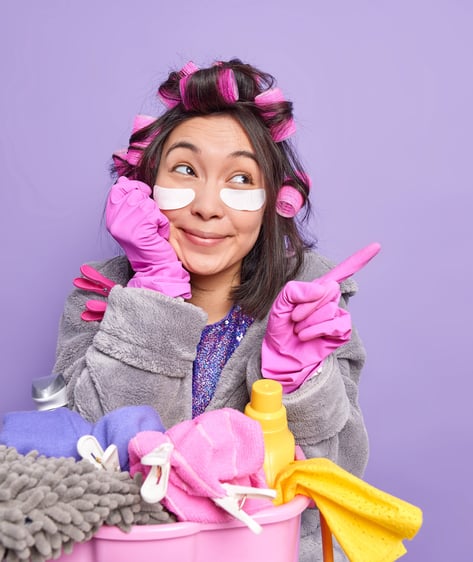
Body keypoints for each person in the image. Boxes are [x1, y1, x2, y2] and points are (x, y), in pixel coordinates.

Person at [52, 58, 374, 561]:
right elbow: (84, 470)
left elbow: (330, 491)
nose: (207, 205)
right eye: (185, 170)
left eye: (240, 179)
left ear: (273, 201)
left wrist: (292, 383)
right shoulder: (99, 301)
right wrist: (156, 291)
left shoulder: (313, 310)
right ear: (142, 187)